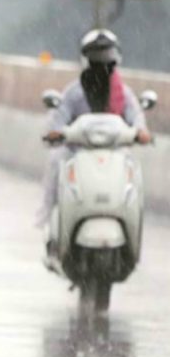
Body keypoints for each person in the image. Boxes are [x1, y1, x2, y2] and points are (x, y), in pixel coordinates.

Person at [38, 29, 152, 226]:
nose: (102, 61)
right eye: (96, 55)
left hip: (115, 154)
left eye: (106, 55)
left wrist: (141, 132)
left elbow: (136, 117)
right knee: (57, 162)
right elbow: (59, 118)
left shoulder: (123, 93)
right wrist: (56, 133)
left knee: (134, 177)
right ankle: (53, 221)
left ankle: (130, 222)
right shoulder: (74, 92)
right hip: (78, 153)